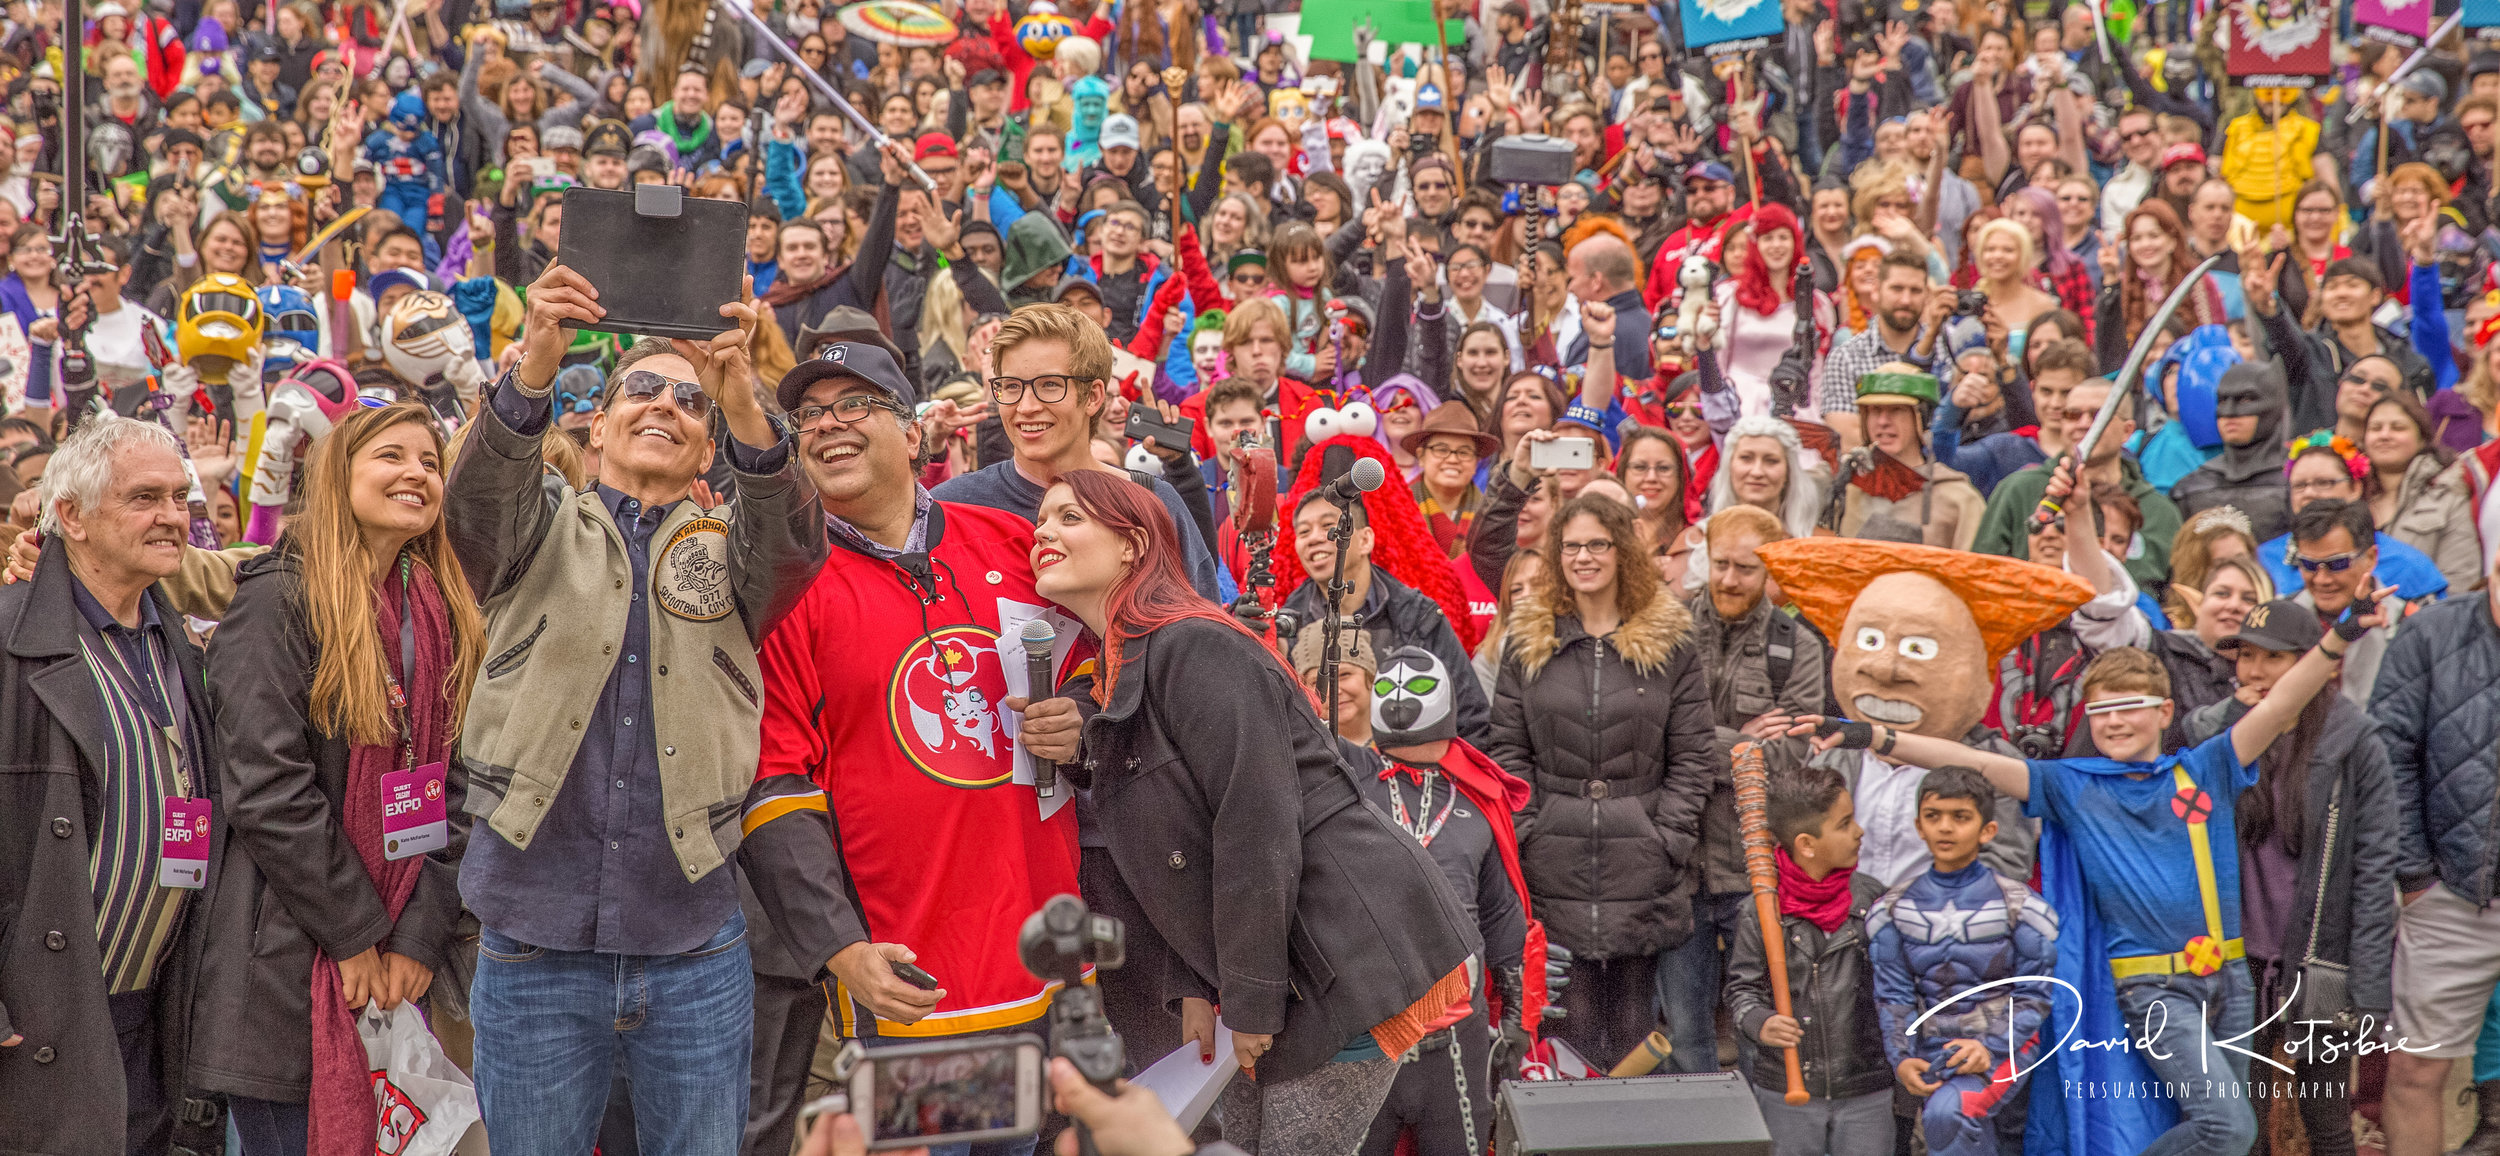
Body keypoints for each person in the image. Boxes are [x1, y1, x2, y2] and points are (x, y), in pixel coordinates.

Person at [444, 264, 828, 1156]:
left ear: (707, 451)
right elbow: (477, 504)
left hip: (693, 939)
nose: (665, 405)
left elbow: (793, 547)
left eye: (689, 404)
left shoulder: (730, 547)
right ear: (600, 424)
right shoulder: (541, 524)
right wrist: (536, 361)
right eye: (641, 390)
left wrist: (742, 403)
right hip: (531, 937)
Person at [1794, 607, 2381, 1156]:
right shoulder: (2073, 785)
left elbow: (2280, 708)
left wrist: (2343, 634)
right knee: (2229, 1126)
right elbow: (1970, 763)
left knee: (2224, 1139)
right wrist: (1867, 735)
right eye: (2101, 711)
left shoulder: (2205, 767)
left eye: (2130, 706)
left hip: (2229, 983)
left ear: (2165, 712)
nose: (2115, 721)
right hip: (2154, 993)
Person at [1028, 469, 1478, 1154]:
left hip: (1338, 950)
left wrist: (1249, 998)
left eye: (1069, 517)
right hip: (1277, 963)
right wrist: (1195, 988)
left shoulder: (1194, 643)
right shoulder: (1129, 664)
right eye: (1041, 520)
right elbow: (1184, 849)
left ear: (1133, 545)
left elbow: (1254, 824)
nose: (1043, 533)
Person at [739, 337, 1086, 1156]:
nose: (829, 426)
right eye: (811, 414)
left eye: (854, 405)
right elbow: (775, 782)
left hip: (1050, 967)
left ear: (914, 432)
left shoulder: (1012, 544)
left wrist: (1084, 718)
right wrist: (840, 949)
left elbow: (1118, 669)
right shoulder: (791, 583)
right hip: (913, 991)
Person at [193, 402, 483, 1156]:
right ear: (335, 475)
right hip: (283, 962)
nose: (416, 472)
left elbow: (455, 787)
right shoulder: (276, 598)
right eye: (392, 456)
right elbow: (267, 787)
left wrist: (416, 939)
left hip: (397, 958)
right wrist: (356, 935)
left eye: (429, 461)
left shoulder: (439, 610)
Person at [0, 416, 225, 1155]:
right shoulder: (11, 639)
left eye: (180, 497)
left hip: (149, 1016)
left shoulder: (180, 642)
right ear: (71, 516)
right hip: (36, 1021)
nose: (171, 516)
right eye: (144, 498)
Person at [1283, 631, 1540, 1156]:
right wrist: (1265, 641)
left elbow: (1501, 919)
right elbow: (1294, 735)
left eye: (1418, 688)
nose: (1402, 699)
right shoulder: (1349, 780)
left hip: (1458, 1037)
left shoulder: (1477, 802)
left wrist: (1517, 1022)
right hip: (1366, 1030)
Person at [1486, 493, 1716, 1070]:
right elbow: (1508, 749)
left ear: (1622, 552)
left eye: (1596, 544)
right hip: (1551, 864)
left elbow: (1692, 754)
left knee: (1636, 1037)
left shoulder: (1671, 644)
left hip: (1644, 862)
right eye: (1571, 547)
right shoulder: (1527, 640)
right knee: (1570, 1037)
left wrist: (1669, 836)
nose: (1583, 557)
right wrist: (1529, 829)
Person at [2183, 598, 2398, 1156]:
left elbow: (2376, 875)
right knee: (2243, 1114)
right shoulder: (2229, 736)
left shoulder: (2358, 743)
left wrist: (2370, 989)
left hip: (2320, 959)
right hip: (2237, 961)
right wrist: (2235, 712)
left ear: (2311, 662)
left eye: (2271, 658)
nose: (2252, 671)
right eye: (2244, 656)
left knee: (2325, 1115)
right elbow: (2183, 749)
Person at [1672, 505, 1826, 1074]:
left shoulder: (1799, 646)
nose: (1730, 580)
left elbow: (1788, 755)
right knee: (1686, 1037)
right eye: (1720, 565)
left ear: (1771, 574)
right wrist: (1742, 743)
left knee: (1765, 1028)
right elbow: (1656, 738)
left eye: (1745, 569)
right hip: (1680, 865)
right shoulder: (1668, 627)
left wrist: (1698, 743)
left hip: (1754, 868)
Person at [936, 305, 1223, 600]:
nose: (1026, 407)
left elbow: (1202, 629)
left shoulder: (1151, 503)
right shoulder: (952, 507)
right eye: (1011, 386)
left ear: (1094, 396)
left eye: (1049, 385)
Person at [1867, 767, 2058, 1156]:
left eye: (1960, 817)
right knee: (1952, 1125)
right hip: (1931, 1046)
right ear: (1918, 826)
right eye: (1933, 817)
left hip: (2006, 1047)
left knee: (1949, 1114)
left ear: (1987, 830)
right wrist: (1902, 1059)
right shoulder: (1892, 910)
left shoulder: (2021, 907)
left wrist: (1992, 1047)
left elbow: (2035, 993)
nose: (1945, 828)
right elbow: (1893, 996)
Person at [2378, 553, 2500, 1156]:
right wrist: (2415, 873)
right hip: (2452, 892)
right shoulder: (2433, 632)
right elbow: (2387, 751)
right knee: (2416, 1071)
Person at [1723, 762, 1890, 1156]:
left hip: (1865, 1085)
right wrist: (1758, 1022)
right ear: (1806, 844)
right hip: (1786, 1087)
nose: (1859, 831)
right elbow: (1741, 988)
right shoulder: (1759, 912)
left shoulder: (1874, 903)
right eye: (1845, 823)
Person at [1280, 488, 1491, 745]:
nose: (1314, 538)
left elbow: (1470, 718)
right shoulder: (1288, 625)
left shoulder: (1418, 615)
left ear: (1366, 539)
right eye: (1303, 532)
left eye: (1328, 525)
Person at [1972, 376, 2181, 592]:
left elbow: (2175, 602)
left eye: (2099, 416)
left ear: (2127, 431)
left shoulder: (2160, 513)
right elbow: (1980, 579)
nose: (2084, 424)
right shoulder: (2018, 490)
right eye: (2072, 415)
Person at [1827, 365, 1986, 548]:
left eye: (1897, 410)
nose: (1883, 422)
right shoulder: (1846, 488)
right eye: (1875, 410)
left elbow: (1976, 571)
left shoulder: (1959, 500)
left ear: (1922, 418)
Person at [2170, 362, 2293, 544]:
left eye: (2246, 400)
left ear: (2272, 405)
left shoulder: (2298, 483)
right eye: (2222, 401)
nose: (2229, 413)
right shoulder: (2190, 488)